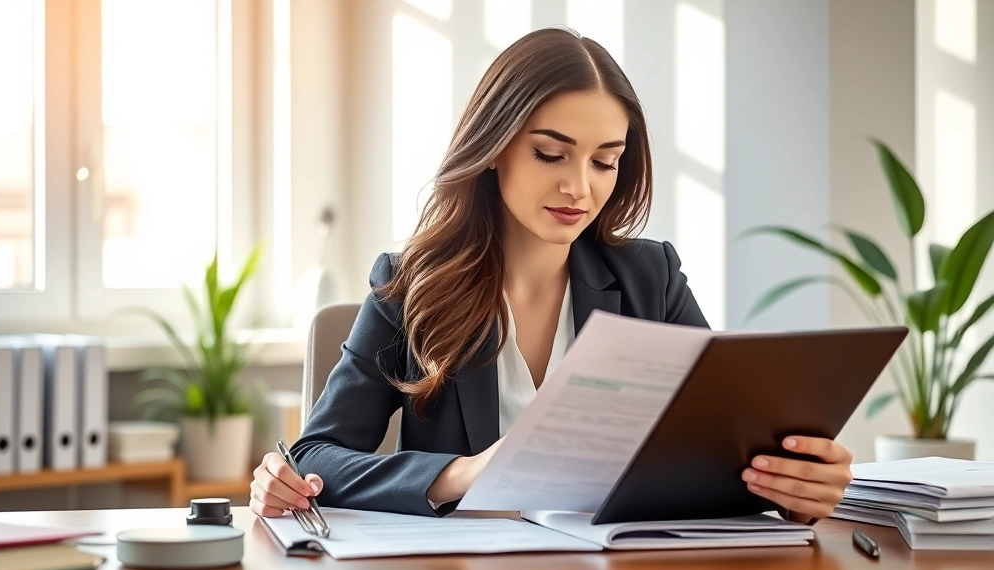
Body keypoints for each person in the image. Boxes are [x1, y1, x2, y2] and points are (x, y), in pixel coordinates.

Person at [250, 27, 853, 524]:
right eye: (550, 153)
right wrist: (468, 471)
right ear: (494, 147)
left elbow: (720, 448)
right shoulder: (412, 285)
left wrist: (791, 488)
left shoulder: (653, 278)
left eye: (605, 161)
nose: (579, 187)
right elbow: (316, 457)